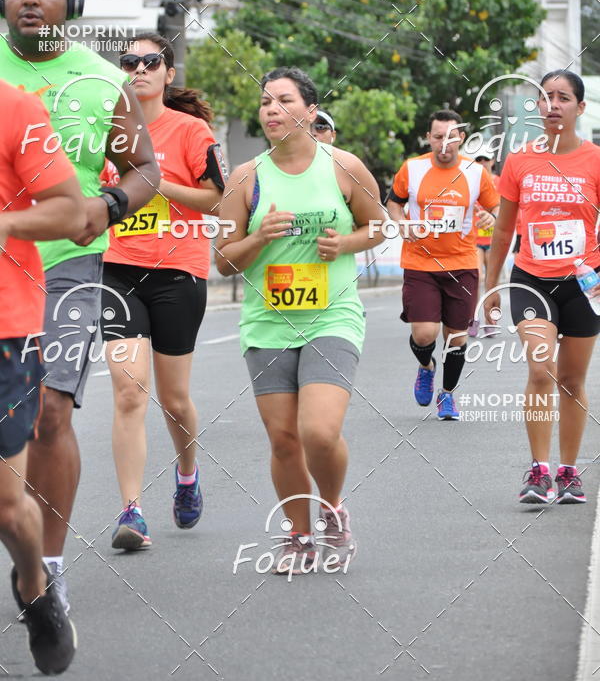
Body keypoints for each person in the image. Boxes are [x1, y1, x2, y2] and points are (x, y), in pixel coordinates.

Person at [0, 0, 159, 611]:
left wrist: (113, 204)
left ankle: (50, 566)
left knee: (50, 411)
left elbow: (144, 168)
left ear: (74, 4)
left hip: (65, 262)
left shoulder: (103, 82)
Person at [216, 67, 383, 574]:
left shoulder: (344, 166)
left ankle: (332, 509)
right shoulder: (245, 178)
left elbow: (379, 226)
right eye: (265, 101)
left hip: (332, 314)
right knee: (284, 438)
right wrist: (259, 237)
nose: (270, 110)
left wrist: (346, 243)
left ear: (310, 112)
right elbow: (222, 259)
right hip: (267, 321)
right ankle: (298, 535)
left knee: (318, 430)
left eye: (283, 100)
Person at [100, 33, 226, 549]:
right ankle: (132, 511)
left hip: (179, 272)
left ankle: (188, 473)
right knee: (130, 392)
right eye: (129, 61)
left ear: (168, 73)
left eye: (151, 61)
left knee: (174, 400)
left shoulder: (191, 131)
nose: (139, 68)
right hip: (118, 269)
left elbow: (219, 200)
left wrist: (155, 184)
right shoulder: (105, 131)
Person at [484, 70, 600, 504]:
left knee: (572, 379)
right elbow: (502, 229)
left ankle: (569, 471)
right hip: (531, 280)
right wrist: (491, 287)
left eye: (563, 98)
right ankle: (539, 469)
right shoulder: (520, 160)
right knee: (539, 371)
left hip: (584, 284)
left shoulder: (595, 160)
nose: (553, 105)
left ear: (579, 108)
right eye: (546, 97)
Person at [0, 82, 82, 674]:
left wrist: (5, 225)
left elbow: (69, 209)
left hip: (6, 329)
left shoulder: (16, 108)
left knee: (6, 507)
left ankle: (33, 585)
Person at [387, 110, 500, 420]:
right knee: (424, 334)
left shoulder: (476, 173)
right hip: (420, 261)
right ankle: (426, 367)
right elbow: (394, 202)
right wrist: (399, 222)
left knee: (457, 338)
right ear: (429, 138)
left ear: (461, 138)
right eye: (438, 137)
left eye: (451, 137)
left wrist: (493, 215)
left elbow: (498, 206)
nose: (444, 144)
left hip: (462, 263)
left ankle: (447, 395)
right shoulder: (412, 169)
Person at [470, 150, 500, 337]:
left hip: (495, 240)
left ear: (492, 161)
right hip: (474, 239)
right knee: (475, 279)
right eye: (478, 159)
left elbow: (505, 206)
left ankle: (491, 320)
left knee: (492, 283)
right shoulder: (469, 181)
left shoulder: (500, 181)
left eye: (485, 159)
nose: (482, 162)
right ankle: (472, 319)